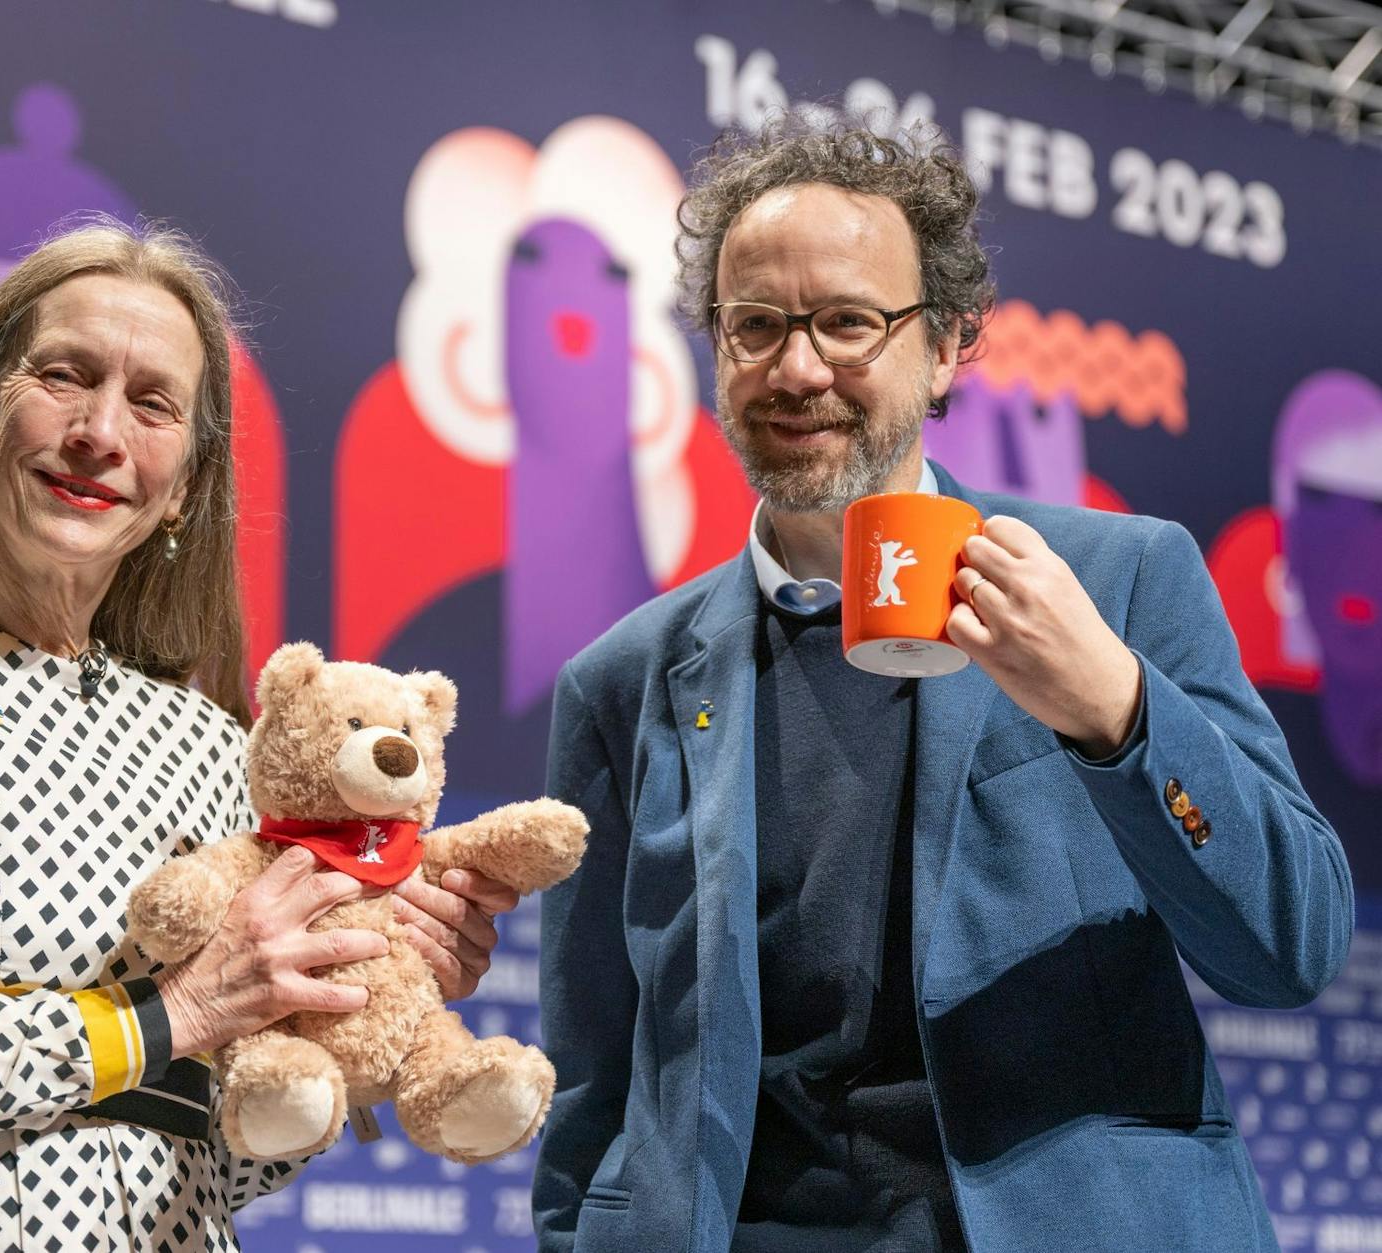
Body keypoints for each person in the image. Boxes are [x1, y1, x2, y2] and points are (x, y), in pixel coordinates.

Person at [532, 116, 1353, 1253]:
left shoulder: (1117, 579)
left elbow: (1287, 942)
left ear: (948, 344)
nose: (796, 367)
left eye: (848, 324)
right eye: (754, 326)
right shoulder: (620, 682)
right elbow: (591, 1073)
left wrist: (1112, 709)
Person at [0, 220, 518, 1251]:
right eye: (65, 375)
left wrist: (357, 986)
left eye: (152, 405)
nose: (100, 432)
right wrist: (161, 1016)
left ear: (183, 483)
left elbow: (214, 1151)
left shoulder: (206, 742)